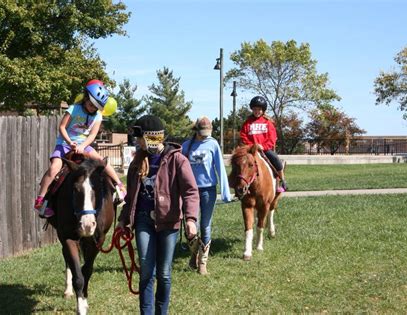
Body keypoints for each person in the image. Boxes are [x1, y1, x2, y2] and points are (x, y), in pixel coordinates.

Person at [117, 115, 199, 315]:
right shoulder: (137, 161)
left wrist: (190, 219)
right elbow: (131, 196)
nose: (137, 141)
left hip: (169, 222)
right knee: (146, 269)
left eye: (140, 138)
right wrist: (123, 219)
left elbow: (190, 191)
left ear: (152, 137)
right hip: (144, 219)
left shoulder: (178, 160)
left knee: (164, 273)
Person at [33, 80, 126, 218]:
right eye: (91, 104)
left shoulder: (98, 116)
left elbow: (93, 134)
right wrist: (70, 142)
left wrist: (82, 146)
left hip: (84, 145)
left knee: (101, 161)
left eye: (96, 107)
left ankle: (120, 186)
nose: (92, 109)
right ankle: (40, 201)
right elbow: (62, 127)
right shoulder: (73, 109)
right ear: (86, 97)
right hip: (64, 144)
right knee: (54, 169)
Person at [181, 116, 231, 275]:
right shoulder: (186, 146)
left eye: (207, 132)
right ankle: (193, 256)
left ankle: (203, 263)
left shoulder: (213, 144)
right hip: (190, 191)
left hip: (208, 190)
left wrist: (225, 191)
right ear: (196, 130)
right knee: (191, 226)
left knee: (205, 225)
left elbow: (220, 167)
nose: (205, 135)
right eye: (202, 132)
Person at [240, 96, 287, 192]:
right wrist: (252, 146)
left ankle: (282, 180)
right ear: (252, 109)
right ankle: (238, 182)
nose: (257, 111)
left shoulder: (268, 123)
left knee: (275, 159)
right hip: (251, 149)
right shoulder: (247, 123)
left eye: (259, 109)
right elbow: (243, 136)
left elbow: (272, 138)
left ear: (263, 110)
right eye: (255, 109)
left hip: (264, 149)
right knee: (239, 162)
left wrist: (263, 147)